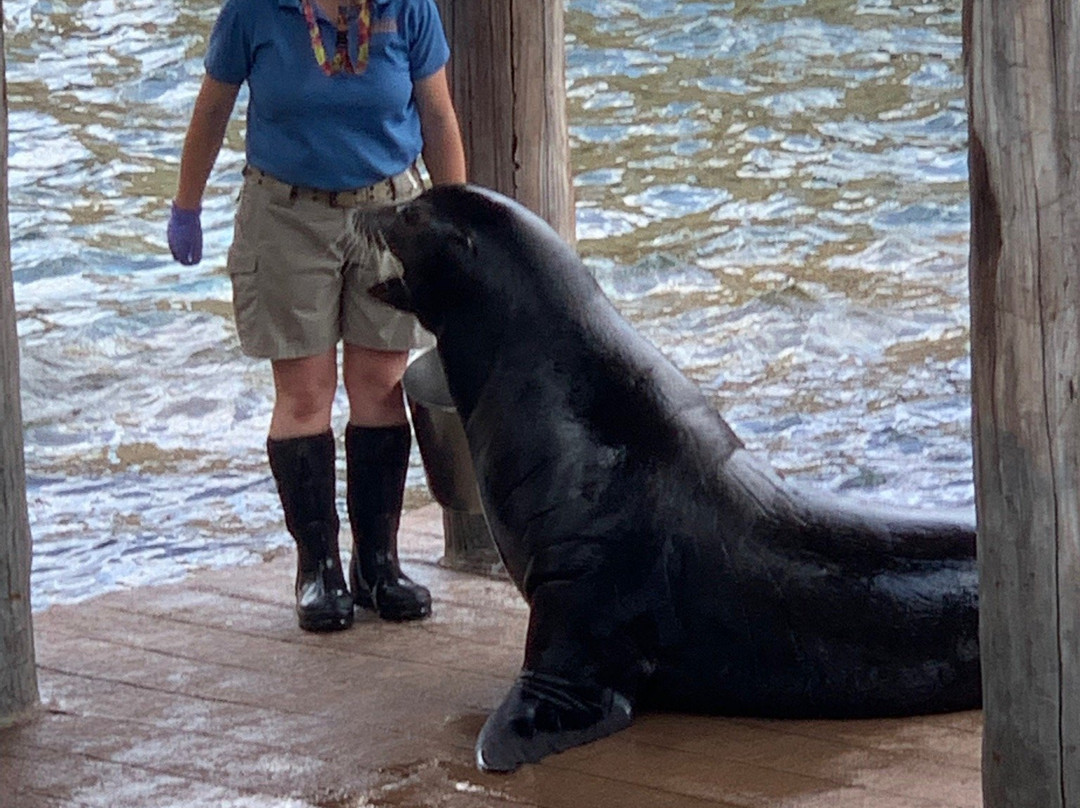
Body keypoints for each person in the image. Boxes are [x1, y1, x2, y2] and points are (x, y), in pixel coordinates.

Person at [167, 0, 466, 632]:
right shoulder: (254, 11)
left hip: (389, 211)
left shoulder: (408, 8)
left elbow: (437, 115)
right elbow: (213, 106)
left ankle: (378, 565)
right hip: (285, 216)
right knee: (304, 396)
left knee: (381, 389)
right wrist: (186, 204)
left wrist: (454, 220)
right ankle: (318, 569)